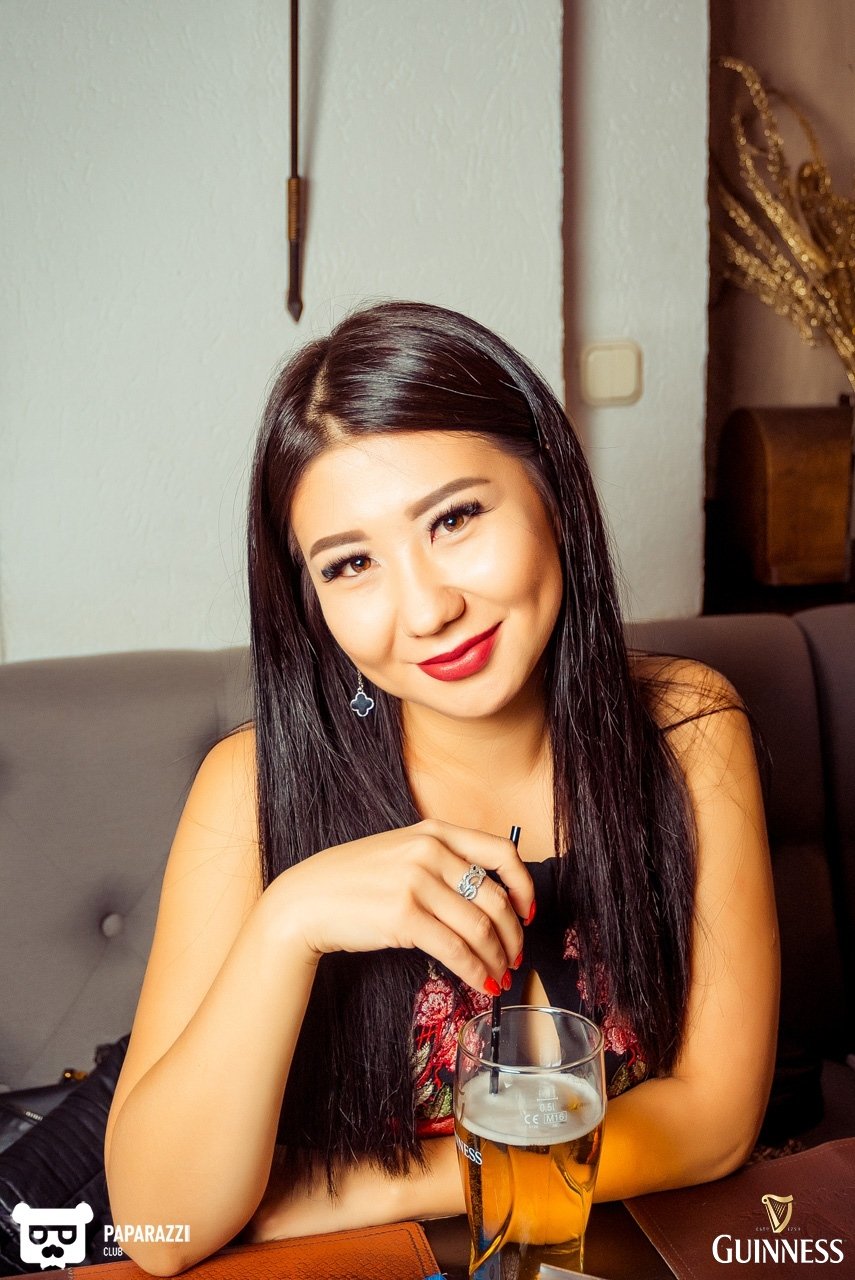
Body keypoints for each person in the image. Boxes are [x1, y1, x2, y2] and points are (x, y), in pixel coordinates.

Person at [104, 300, 779, 1275]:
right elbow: (162, 1229)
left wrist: (335, 1192)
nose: (425, 609)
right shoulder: (246, 787)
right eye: (351, 564)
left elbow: (714, 1124)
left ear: (552, 491)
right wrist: (290, 918)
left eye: (455, 518)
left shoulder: (688, 728)